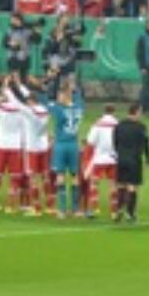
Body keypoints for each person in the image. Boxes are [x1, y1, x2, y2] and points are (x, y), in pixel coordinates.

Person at [0, 81, 28, 212]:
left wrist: (0, 100)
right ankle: (11, 205)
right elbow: (24, 128)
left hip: (0, 144)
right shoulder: (22, 110)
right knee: (15, 176)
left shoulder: (2, 107)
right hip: (15, 145)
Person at [49, 82, 85, 217]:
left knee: (60, 176)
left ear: (65, 95)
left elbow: (49, 105)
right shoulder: (79, 107)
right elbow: (79, 98)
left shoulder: (58, 109)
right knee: (75, 176)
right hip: (73, 145)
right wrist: (73, 89)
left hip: (61, 145)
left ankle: (62, 209)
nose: (58, 97)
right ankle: (75, 209)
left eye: (60, 95)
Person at [112, 104, 149, 223]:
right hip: (134, 159)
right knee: (132, 186)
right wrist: (148, 159)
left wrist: (120, 153)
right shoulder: (141, 127)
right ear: (137, 112)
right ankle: (130, 213)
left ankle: (118, 209)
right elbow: (146, 144)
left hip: (121, 158)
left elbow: (115, 142)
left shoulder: (119, 126)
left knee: (121, 185)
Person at [21, 88, 53, 215]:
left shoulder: (30, 111)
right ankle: (51, 206)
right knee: (45, 176)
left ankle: (36, 208)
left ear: (31, 101)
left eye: (28, 101)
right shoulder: (44, 110)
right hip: (43, 146)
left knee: (33, 177)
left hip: (32, 148)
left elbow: (18, 105)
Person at [84, 105, 119, 217]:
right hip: (113, 158)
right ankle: (114, 211)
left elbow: (90, 141)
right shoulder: (117, 124)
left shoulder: (98, 124)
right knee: (113, 184)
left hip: (99, 158)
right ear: (113, 112)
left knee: (94, 183)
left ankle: (94, 208)